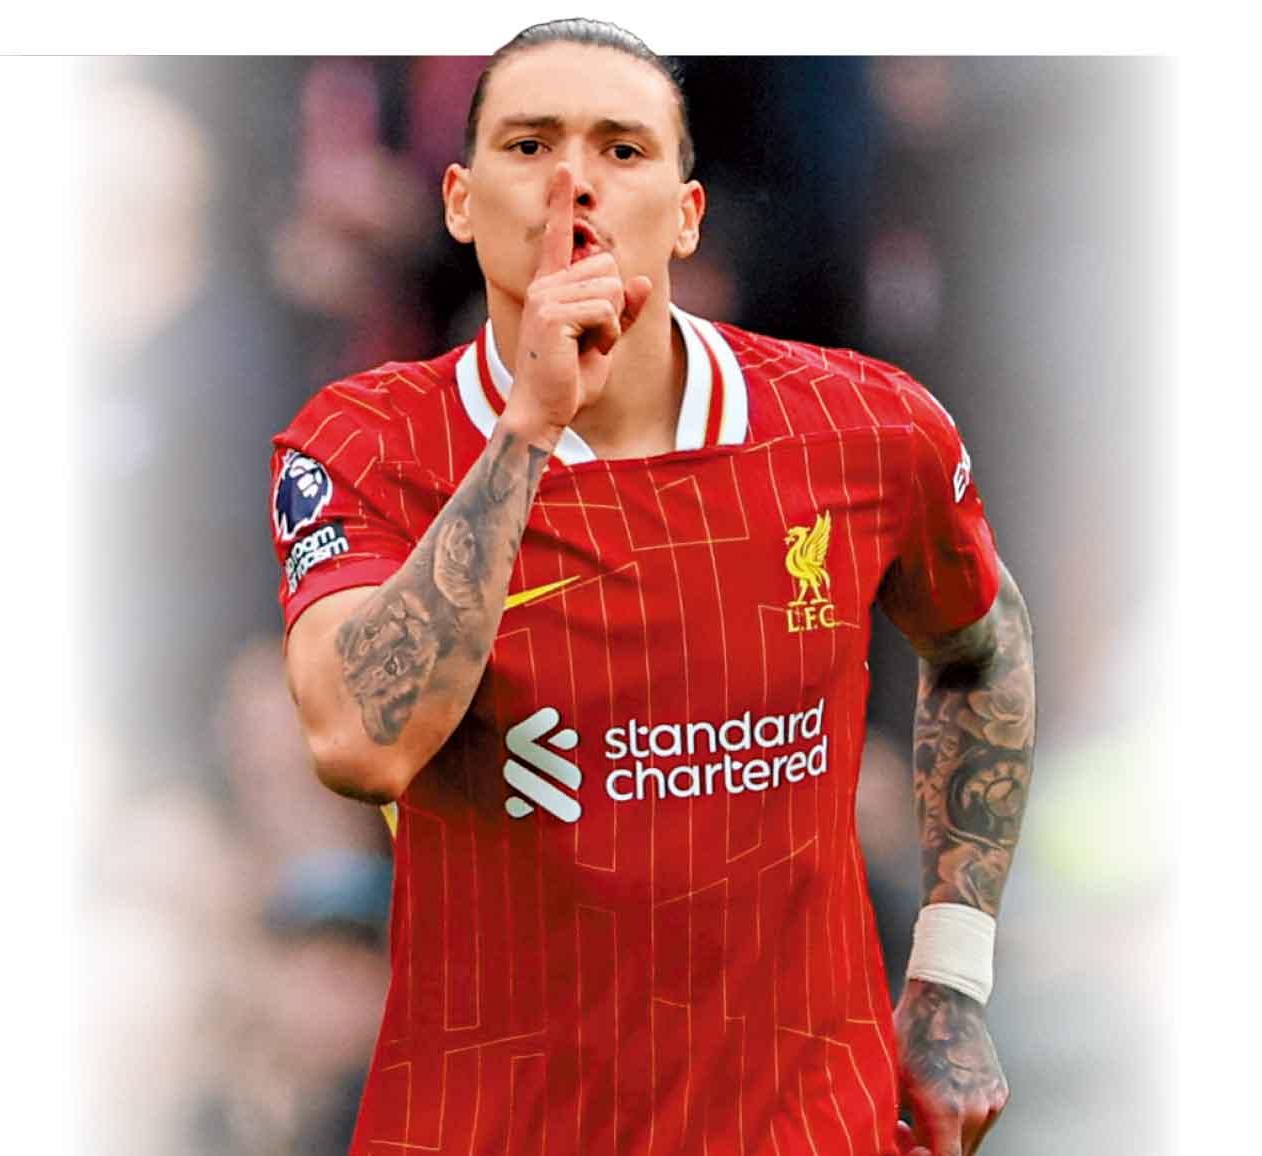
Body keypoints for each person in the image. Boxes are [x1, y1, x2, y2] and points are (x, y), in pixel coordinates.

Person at [270, 20, 1035, 1156]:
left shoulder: (865, 427)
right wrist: (529, 428)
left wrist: (951, 978)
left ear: (687, 214)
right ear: (459, 203)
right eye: (528, 145)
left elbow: (983, 645)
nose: (574, 182)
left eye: (621, 149)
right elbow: (357, 742)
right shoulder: (364, 441)